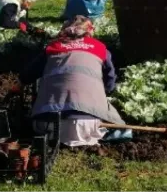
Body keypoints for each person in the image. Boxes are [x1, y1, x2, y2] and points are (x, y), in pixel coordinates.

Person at [20, 16, 124, 147]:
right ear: (90, 31)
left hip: (47, 124)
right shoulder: (100, 48)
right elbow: (110, 84)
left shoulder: (52, 47)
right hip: (88, 126)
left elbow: (26, 76)